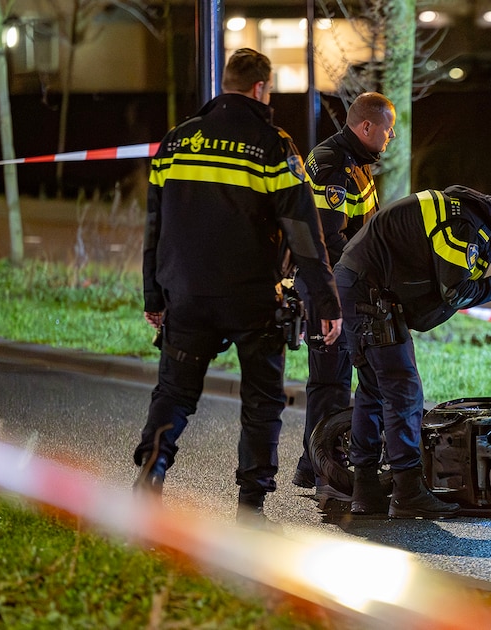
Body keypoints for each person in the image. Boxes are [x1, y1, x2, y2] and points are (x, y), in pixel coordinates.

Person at [133, 48, 342, 529]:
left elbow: (153, 227)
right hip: (251, 299)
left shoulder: (176, 141)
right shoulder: (272, 145)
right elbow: (303, 231)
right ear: (261, 88)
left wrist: (154, 297)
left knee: (174, 393)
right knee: (261, 400)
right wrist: (325, 301)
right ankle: (250, 508)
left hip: (185, 295)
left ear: (225, 84)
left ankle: (150, 476)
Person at [337, 185, 491, 517]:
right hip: (369, 287)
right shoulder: (468, 224)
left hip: (365, 282)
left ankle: (366, 491)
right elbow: (457, 292)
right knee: (403, 389)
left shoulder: (471, 218)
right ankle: (406, 492)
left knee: (375, 388)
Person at [290, 92, 396, 497]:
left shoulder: (351, 160)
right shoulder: (336, 164)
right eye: (386, 130)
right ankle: (325, 474)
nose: (389, 139)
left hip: (332, 285)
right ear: (365, 126)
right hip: (329, 287)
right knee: (330, 383)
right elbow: (329, 239)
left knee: (330, 380)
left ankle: (310, 465)